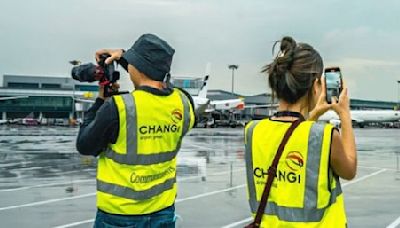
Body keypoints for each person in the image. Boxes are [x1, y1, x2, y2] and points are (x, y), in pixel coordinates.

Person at [76, 33, 196, 228]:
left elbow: (84, 146)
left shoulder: (118, 107)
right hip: (163, 212)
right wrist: (126, 58)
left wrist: (100, 100)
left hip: (120, 214)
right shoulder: (183, 103)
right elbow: (159, 82)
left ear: (135, 67)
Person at [244, 36, 357, 227]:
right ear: (315, 86)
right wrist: (344, 114)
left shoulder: (253, 131)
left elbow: (291, 137)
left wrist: (312, 114)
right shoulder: (325, 136)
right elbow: (350, 170)